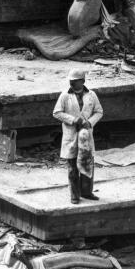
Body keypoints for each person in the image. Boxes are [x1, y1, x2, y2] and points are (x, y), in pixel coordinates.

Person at [52, 68, 104, 204]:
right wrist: (73, 120)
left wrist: (90, 122)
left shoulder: (91, 95)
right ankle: (74, 195)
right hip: (71, 135)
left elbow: (99, 112)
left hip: (86, 136)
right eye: (71, 81)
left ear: (83, 81)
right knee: (72, 167)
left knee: (87, 164)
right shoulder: (64, 95)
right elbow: (57, 113)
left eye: (75, 81)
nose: (72, 83)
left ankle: (87, 192)